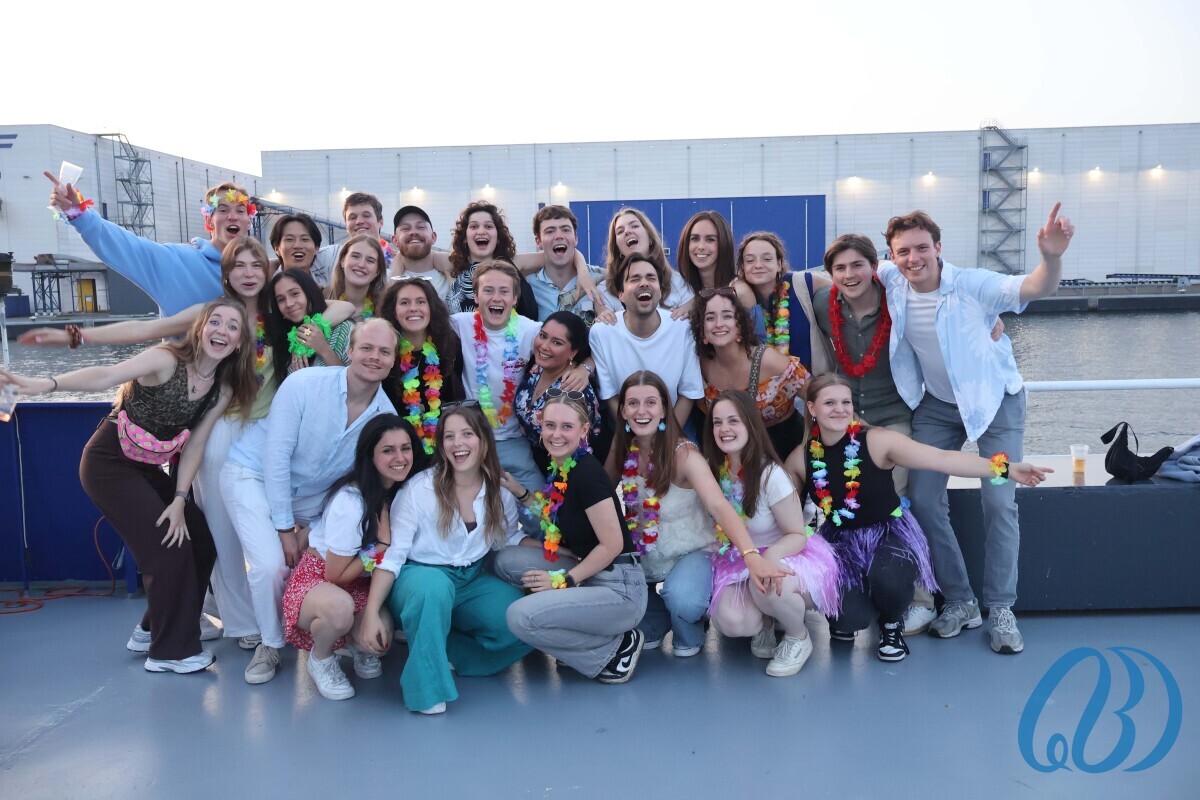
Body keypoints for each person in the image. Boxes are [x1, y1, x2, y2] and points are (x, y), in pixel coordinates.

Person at [1, 299, 258, 672]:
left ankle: (151, 628)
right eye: (215, 321)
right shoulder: (166, 360)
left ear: (239, 344)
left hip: (146, 467)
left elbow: (195, 446)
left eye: (232, 327)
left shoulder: (222, 390)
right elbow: (106, 375)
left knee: (200, 539)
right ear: (200, 329)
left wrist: (179, 499)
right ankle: (170, 652)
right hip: (108, 462)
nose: (222, 330)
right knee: (168, 547)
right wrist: (46, 383)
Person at [878, 204, 1074, 654]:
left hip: (994, 404)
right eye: (903, 251)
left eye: (921, 248)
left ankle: (1001, 607)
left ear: (938, 247)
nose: (913, 258)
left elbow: (1034, 287)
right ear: (892, 256)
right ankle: (961, 601)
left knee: (999, 500)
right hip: (938, 407)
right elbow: (840, 269)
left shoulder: (972, 285)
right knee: (922, 499)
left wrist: (1051, 257)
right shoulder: (891, 279)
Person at [784, 374, 1050, 661]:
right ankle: (859, 608)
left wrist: (1006, 469)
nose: (840, 409)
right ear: (811, 408)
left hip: (888, 533)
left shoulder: (877, 441)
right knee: (848, 620)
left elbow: (942, 459)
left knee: (889, 577)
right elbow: (780, 508)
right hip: (841, 541)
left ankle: (891, 623)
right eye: (829, 403)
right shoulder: (801, 459)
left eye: (845, 402)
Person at [221, 319, 399, 685]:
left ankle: (333, 629)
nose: (374, 357)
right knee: (270, 565)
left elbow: (357, 484)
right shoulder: (304, 384)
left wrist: (314, 529)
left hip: (314, 498)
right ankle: (271, 644)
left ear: (393, 360)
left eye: (384, 351)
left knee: (322, 554)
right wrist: (286, 528)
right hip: (253, 475)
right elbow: (276, 456)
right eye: (366, 348)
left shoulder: (385, 418)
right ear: (350, 351)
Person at [355, 405, 533, 715]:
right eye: (449, 436)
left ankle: (441, 647)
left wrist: (558, 550)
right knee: (433, 588)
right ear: (441, 444)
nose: (457, 443)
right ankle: (425, 690)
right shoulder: (418, 489)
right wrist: (371, 613)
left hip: (470, 579)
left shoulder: (498, 489)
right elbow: (392, 556)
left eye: (467, 434)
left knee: (523, 620)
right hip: (419, 578)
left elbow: (508, 538)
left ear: (484, 440)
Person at [607, 371, 787, 657]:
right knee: (615, 590)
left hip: (691, 551)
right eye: (633, 403)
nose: (641, 411)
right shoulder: (622, 446)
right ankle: (657, 619)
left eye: (651, 403)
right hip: (646, 554)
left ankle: (689, 626)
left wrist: (751, 555)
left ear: (664, 409)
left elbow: (718, 505)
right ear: (623, 411)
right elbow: (602, 494)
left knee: (683, 600)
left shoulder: (685, 453)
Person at [494, 394, 648, 683]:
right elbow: (557, 516)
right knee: (506, 561)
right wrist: (520, 492)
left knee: (519, 617)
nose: (556, 434)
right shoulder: (562, 465)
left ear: (584, 430)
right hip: (590, 572)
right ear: (541, 426)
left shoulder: (588, 475)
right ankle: (580, 635)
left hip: (620, 588)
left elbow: (613, 545)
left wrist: (563, 581)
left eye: (567, 427)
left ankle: (615, 647)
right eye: (550, 425)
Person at [282, 415, 428, 700]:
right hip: (319, 579)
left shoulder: (399, 490)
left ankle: (355, 644)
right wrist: (380, 546)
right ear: (369, 456)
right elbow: (335, 576)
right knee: (339, 609)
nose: (400, 458)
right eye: (388, 450)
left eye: (406, 448)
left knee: (380, 641)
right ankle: (321, 659)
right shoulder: (350, 502)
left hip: (358, 583)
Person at [702, 390, 841, 676]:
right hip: (740, 560)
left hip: (786, 555)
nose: (725, 429)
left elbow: (797, 535)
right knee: (730, 621)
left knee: (766, 582)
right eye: (717, 422)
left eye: (733, 420)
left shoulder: (771, 475)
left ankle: (797, 636)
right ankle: (766, 622)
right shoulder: (715, 472)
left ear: (751, 425)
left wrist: (770, 558)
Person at [449, 260, 590, 491]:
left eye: (504, 291)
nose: (496, 298)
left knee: (537, 505)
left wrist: (585, 368)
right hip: (471, 436)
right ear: (476, 296)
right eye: (488, 290)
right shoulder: (458, 324)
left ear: (515, 298)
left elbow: (587, 344)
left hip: (513, 439)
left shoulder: (532, 330)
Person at [46, 173, 255, 316]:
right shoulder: (178, 263)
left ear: (249, 220)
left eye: (240, 210)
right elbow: (127, 246)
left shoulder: (262, 271)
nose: (233, 216)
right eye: (223, 210)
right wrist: (77, 213)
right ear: (209, 221)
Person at [690, 288, 808, 459]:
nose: (718, 323)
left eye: (727, 316)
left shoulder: (768, 360)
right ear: (702, 332)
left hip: (785, 450)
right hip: (732, 456)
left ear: (740, 327)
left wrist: (806, 450)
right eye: (710, 318)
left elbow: (815, 395)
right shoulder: (700, 366)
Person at [590, 256, 704, 427]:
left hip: (673, 424)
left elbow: (689, 393)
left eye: (651, 278)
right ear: (621, 295)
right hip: (624, 427)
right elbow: (610, 396)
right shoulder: (602, 333)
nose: (644, 283)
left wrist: (667, 438)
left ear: (660, 292)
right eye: (634, 279)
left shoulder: (682, 329)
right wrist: (634, 436)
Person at [444, 200, 598, 320]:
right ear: (464, 236)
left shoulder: (512, 263)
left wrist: (583, 273)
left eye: (489, 226)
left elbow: (560, 251)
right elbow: (427, 253)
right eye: (474, 227)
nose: (481, 231)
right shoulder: (451, 264)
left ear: (498, 236)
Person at [378, 277, 465, 453]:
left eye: (421, 302)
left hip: (444, 442)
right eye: (404, 302)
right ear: (394, 311)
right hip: (399, 447)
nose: (413, 308)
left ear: (431, 308)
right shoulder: (384, 350)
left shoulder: (448, 343)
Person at [513, 311, 602, 472]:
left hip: (562, 470)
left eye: (557, 342)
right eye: (543, 336)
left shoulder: (574, 391)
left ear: (573, 352)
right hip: (528, 458)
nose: (544, 346)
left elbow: (578, 453)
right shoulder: (537, 367)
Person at [733, 231, 830, 374]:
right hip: (766, 385)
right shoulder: (741, 299)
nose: (758, 265)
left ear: (779, 264)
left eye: (767, 259)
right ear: (743, 267)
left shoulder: (802, 283)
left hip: (812, 383)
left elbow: (841, 289)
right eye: (750, 260)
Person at [595, 207, 693, 311]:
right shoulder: (605, 290)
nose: (627, 231)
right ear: (617, 248)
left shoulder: (679, 283)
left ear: (650, 237)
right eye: (620, 231)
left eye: (635, 226)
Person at [267, 269, 355, 376]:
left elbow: (352, 381)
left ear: (309, 293)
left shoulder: (343, 329)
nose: (289, 303)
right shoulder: (281, 339)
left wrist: (323, 349)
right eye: (281, 299)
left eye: (295, 294)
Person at [527, 205, 607, 322]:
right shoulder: (528, 285)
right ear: (538, 241)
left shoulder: (602, 279)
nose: (559, 236)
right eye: (550, 231)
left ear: (576, 238)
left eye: (565, 230)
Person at [671, 210, 737, 320]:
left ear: (724, 243)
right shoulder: (682, 291)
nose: (701, 246)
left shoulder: (738, 290)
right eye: (695, 239)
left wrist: (697, 302)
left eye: (710, 239)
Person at [313, 193, 387, 285]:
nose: (359, 221)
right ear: (346, 226)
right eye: (352, 217)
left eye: (366, 216)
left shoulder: (395, 261)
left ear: (380, 221)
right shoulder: (331, 255)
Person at [389, 205, 451, 299]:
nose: (413, 232)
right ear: (395, 240)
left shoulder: (457, 275)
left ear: (433, 237)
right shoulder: (386, 280)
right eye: (405, 228)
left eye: (421, 227)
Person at [326, 234, 388, 321]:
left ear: (377, 271)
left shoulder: (386, 312)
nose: (361, 265)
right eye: (355, 256)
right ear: (343, 261)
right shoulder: (320, 300)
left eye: (370, 261)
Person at [269, 214, 323, 284]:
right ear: (276, 248)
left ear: (316, 248)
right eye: (289, 239)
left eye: (305, 239)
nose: (297, 245)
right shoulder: (266, 287)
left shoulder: (327, 286)